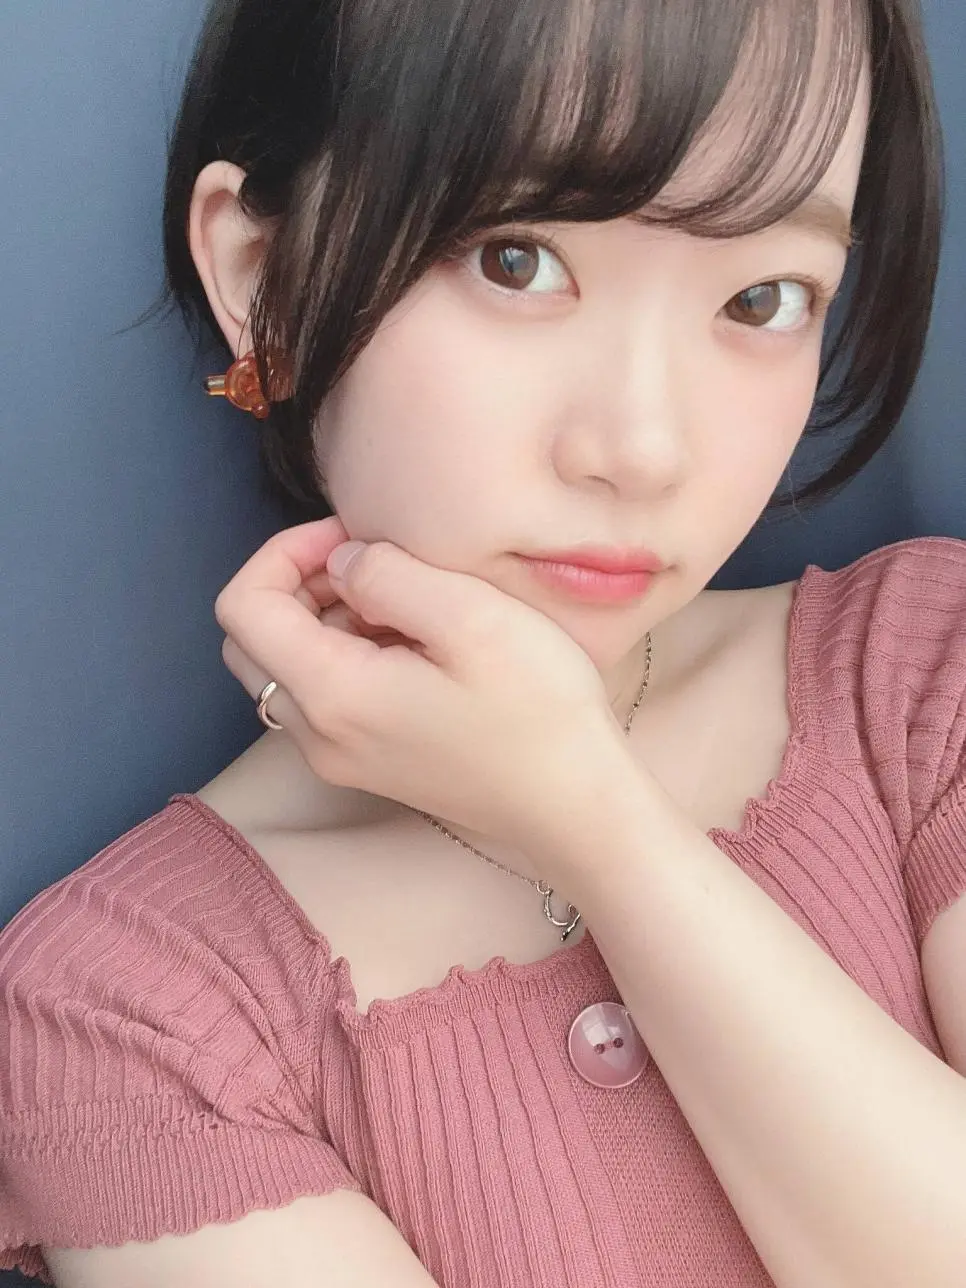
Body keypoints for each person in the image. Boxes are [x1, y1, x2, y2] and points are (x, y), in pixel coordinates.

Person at [1, 0, 963, 1283]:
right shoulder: (126, 1017)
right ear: (260, 272)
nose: (644, 448)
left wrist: (594, 824)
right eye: (517, 262)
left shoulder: (925, 675)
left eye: (762, 297)